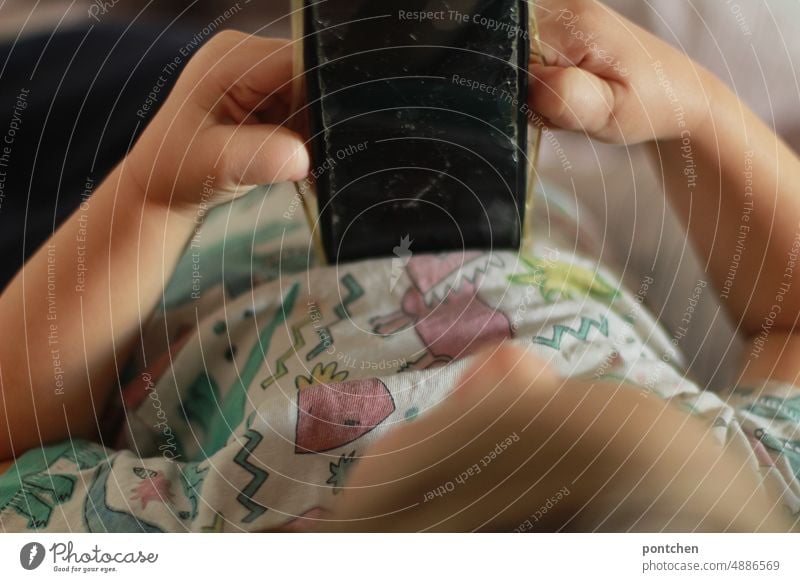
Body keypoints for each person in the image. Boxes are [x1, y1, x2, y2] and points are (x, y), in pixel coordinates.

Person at [1, 0, 799, 532]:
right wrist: (696, 110)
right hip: (466, 171)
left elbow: (16, 447)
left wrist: (151, 196)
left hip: (121, 264)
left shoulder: (238, 529)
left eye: (490, 422)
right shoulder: (747, 488)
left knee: (105, 73)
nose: (511, 363)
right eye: (583, 397)